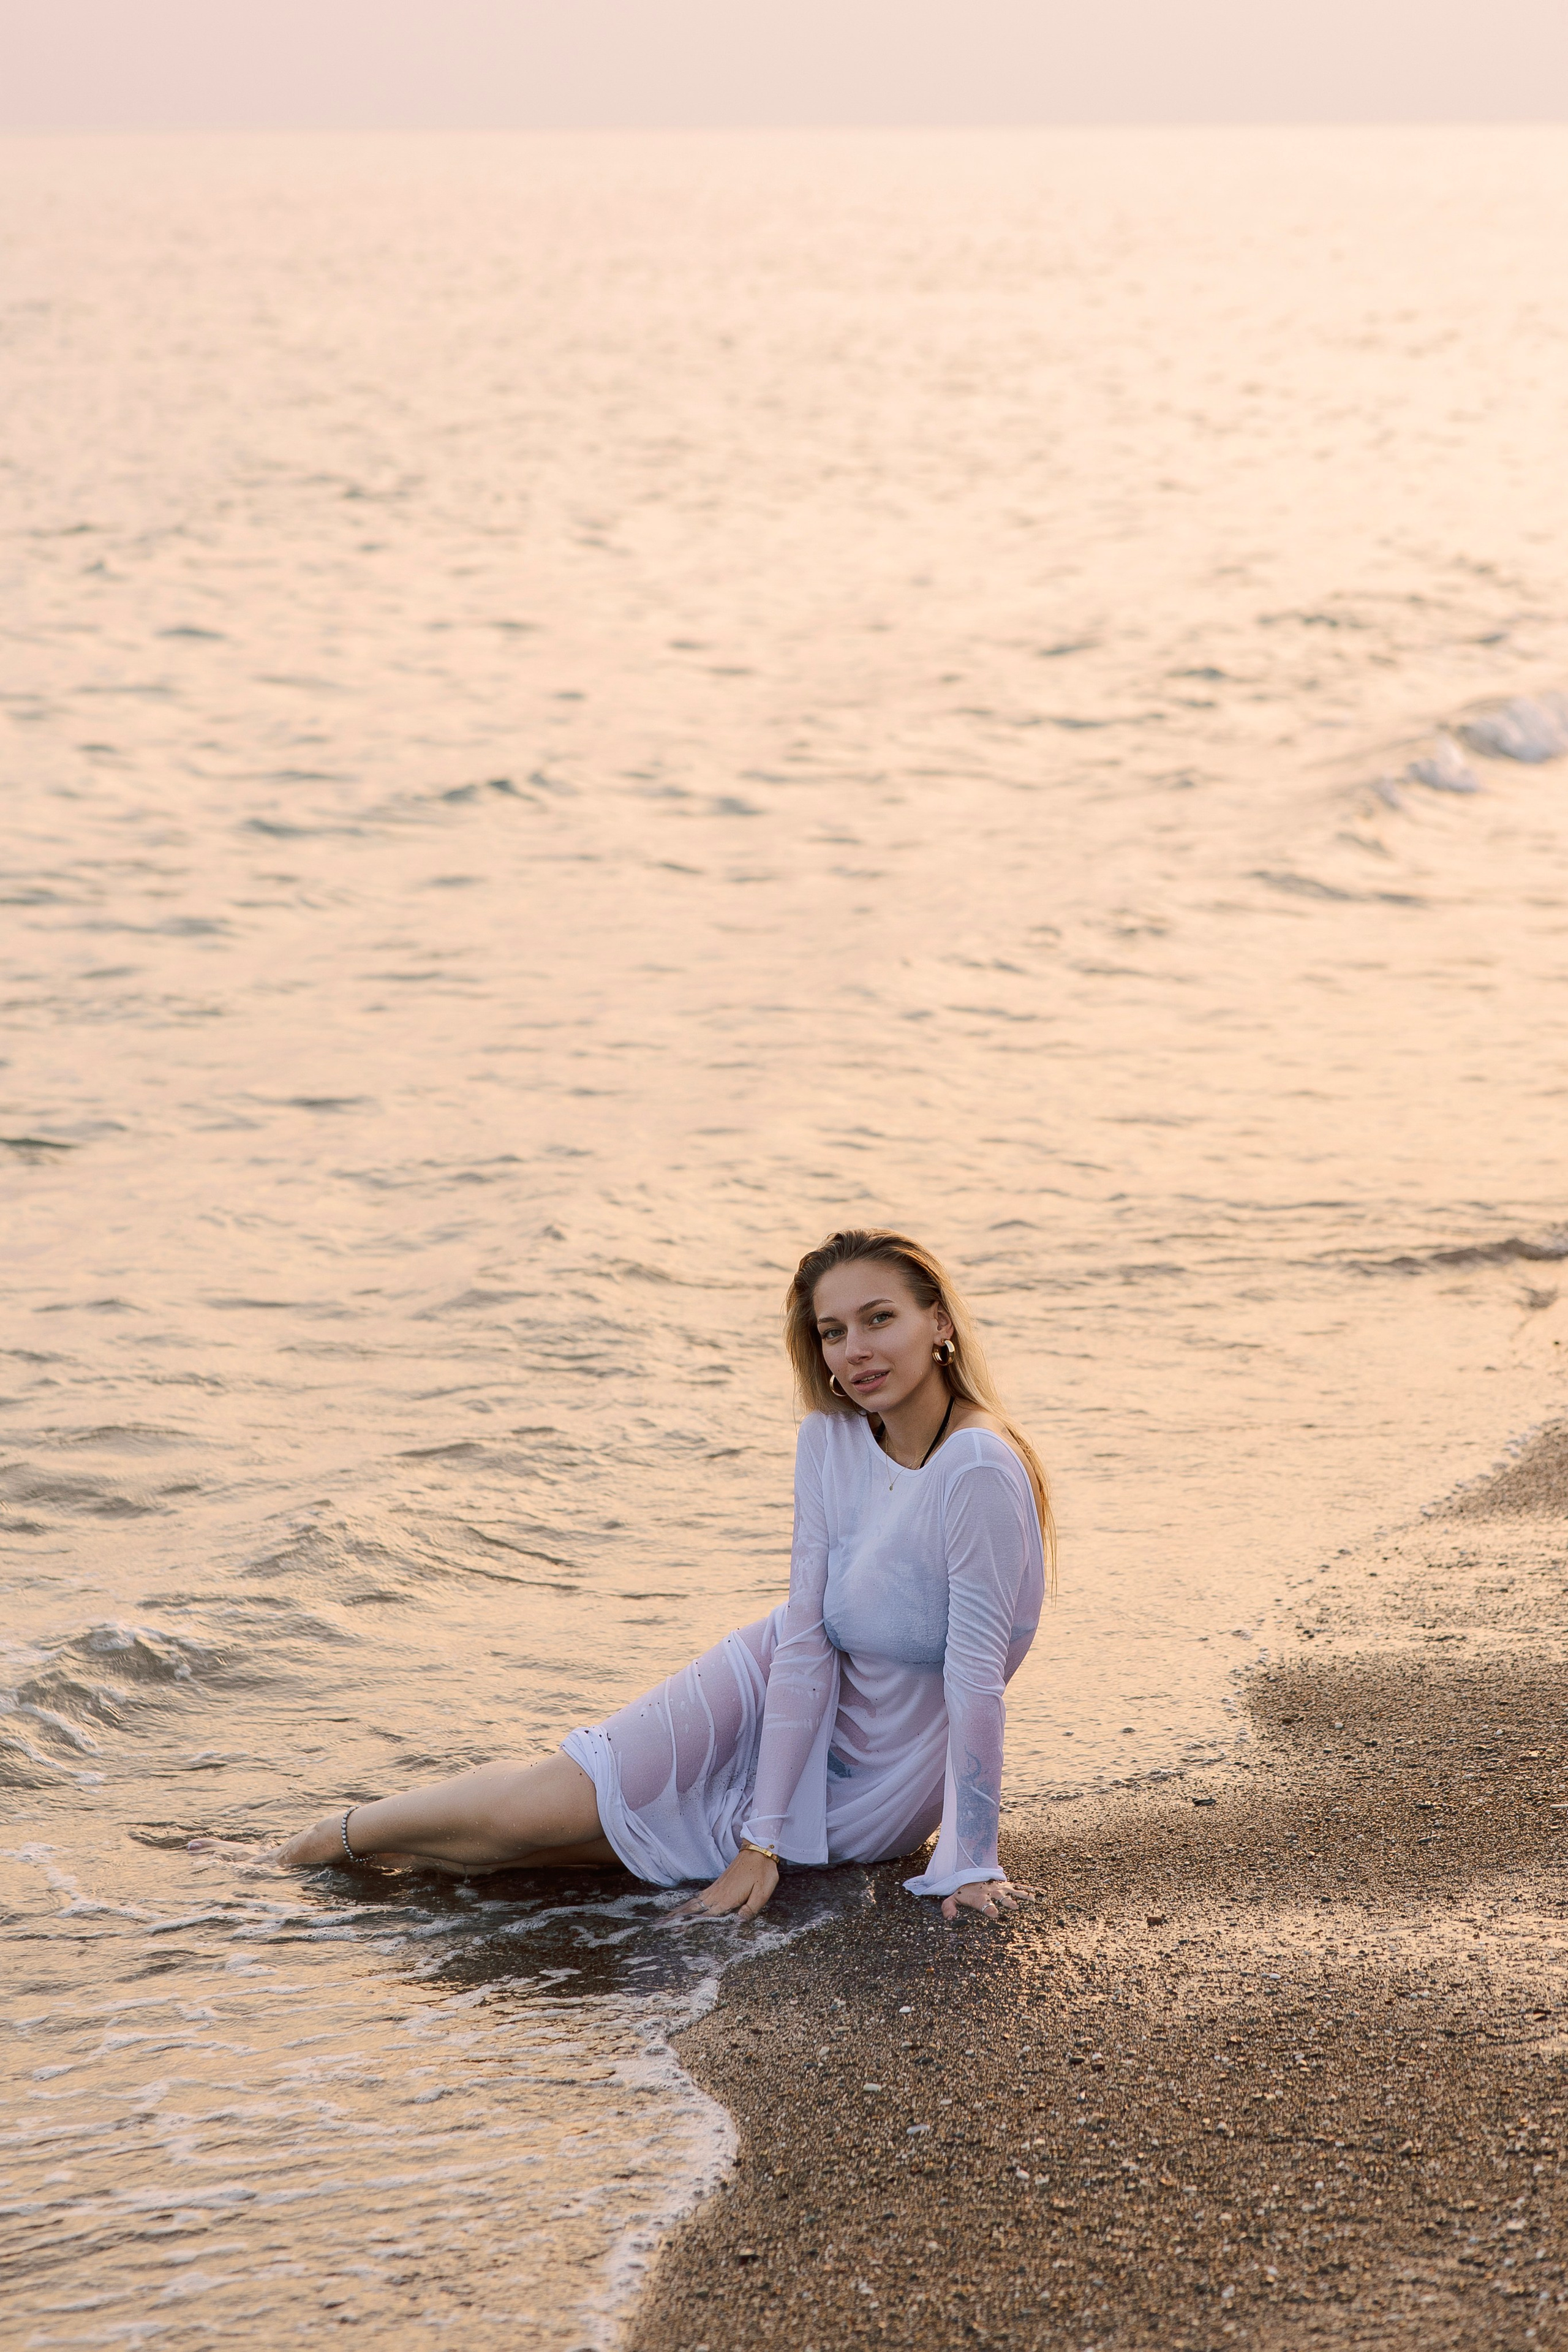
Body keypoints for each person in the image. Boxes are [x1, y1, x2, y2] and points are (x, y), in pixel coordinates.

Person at [221, 1229, 1054, 1925]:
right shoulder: (830, 1440)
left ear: (939, 1320)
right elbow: (804, 1637)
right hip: (775, 1683)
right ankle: (319, 1843)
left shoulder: (976, 1465)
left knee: (552, 1850)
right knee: (530, 1817)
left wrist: (967, 1862)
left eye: (881, 1319)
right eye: (833, 1332)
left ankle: (339, 1854)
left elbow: (975, 1680)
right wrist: (763, 1841)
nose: (857, 1350)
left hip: (880, 1779)